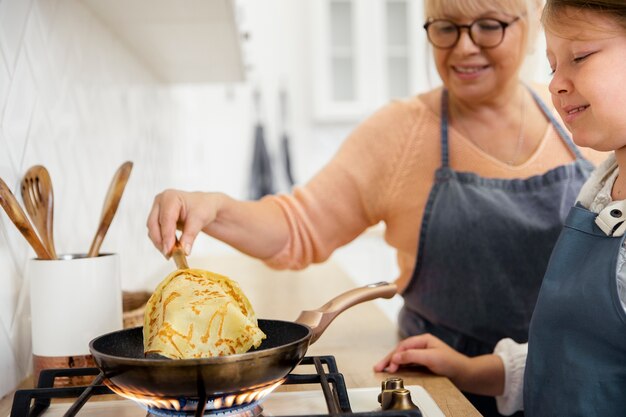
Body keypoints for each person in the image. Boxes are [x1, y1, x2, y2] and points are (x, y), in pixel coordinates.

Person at [147, 0, 605, 415]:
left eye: (488, 26)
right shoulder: (401, 133)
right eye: (445, 28)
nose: (464, 48)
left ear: (527, 26)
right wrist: (213, 209)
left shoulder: (585, 117)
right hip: (438, 384)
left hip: (569, 383)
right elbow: (297, 228)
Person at [374, 0, 626, 415]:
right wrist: (468, 369)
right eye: (552, 66)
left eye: (579, 57)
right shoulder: (600, 187)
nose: (556, 84)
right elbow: (571, 357)